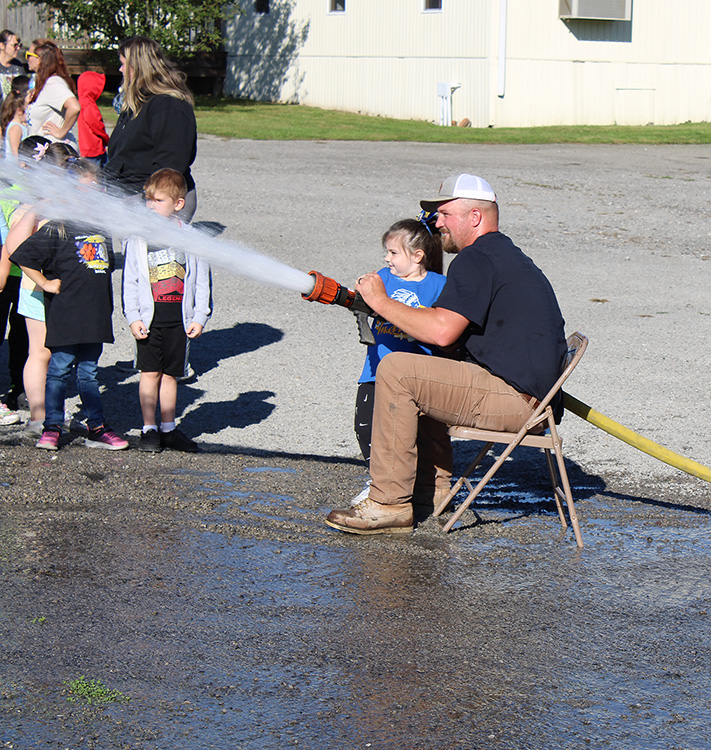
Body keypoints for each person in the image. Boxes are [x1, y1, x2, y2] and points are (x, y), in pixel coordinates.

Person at [325, 174, 567, 535]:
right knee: (428, 368)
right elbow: (446, 335)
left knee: (398, 371)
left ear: (474, 217)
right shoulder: (500, 255)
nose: (436, 222)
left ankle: (388, 503)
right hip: (530, 398)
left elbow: (441, 331)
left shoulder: (476, 259)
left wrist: (379, 301)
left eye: (444, 213)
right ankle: (431, 491)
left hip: (518, 401)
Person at [9, 157, 129, 451]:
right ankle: (52, 427)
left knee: (89, 372)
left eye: (95, 188)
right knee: (59, 370)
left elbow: (105, 265)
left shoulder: (101, 227)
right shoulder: (57, 227)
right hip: (65, 315)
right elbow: (22, 256)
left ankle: (97, 427)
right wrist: (46, 283)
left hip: (95, 315)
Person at [352, 217, 449, 513]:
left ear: (418, 256)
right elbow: (359, 298)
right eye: (387, 252)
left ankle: (417, 485)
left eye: (393, 253)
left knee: (415, 434)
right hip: (375, 371)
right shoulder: (382, 278)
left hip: (416, 376)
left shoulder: (439, 285)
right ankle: (378, 480)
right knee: (366, 427)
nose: (386, 258)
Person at [122, 168, 212, 452]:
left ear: (178, 204)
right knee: (149, 373)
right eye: (148, 200)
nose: (150, 206)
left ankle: (168, 428)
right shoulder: (137, 239)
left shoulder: (193, 238)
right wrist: (133, 316)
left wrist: (200, 316)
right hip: (149, 321)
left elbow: (201, 282)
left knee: (172, 375)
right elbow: (131, 281)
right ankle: (148, 429)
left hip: (179, 322)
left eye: (158, 200)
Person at [105, 37, 197, 222]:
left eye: (123, 64)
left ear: (137, 67)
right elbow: (121, 155)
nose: (120, 70)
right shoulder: (137, 104)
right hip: (131, 193)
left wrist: (152, 203)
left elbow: (171, 163)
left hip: (156, 200)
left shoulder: (169, 106)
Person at [25, 39, 80, 146]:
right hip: (40, 151)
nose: (26, 59)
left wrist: (61, 132)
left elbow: (74, 107)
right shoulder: (43, 83)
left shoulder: (53, 83)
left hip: (53, 153)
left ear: (40, 59)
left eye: (29, 55)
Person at [77, 71, 109, 167]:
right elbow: (96, 125)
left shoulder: (81, 101)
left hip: (85, 148)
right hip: (94, 148)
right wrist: (106, 139)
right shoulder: (89, 104)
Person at [1, 75, 30, 159]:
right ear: (19, 111)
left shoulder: (20, 126)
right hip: (16, 171)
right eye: (26, 111)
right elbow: (15, 154)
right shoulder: (16, 128)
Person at [0, 30, 24, 103]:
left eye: (19, 45)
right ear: (2, 46)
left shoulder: (18, 66)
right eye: (15, 45)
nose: (18, 48)